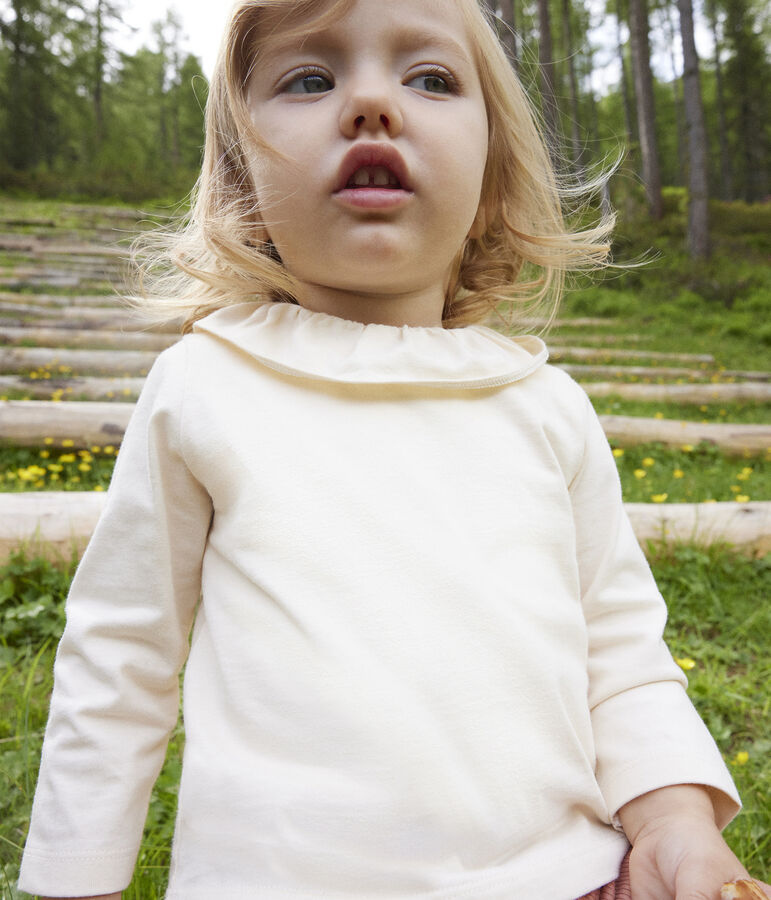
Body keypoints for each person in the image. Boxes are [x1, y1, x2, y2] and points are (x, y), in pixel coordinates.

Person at [17, 1, 770, 898]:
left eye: (430, 79)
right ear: (239, 177)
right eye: (309, 78)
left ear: (491, 174)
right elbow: (120, 658)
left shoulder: (545, 405)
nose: (372, 103)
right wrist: (77, 880)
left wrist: (674, 820)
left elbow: (619, 651)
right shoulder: (203, 386)